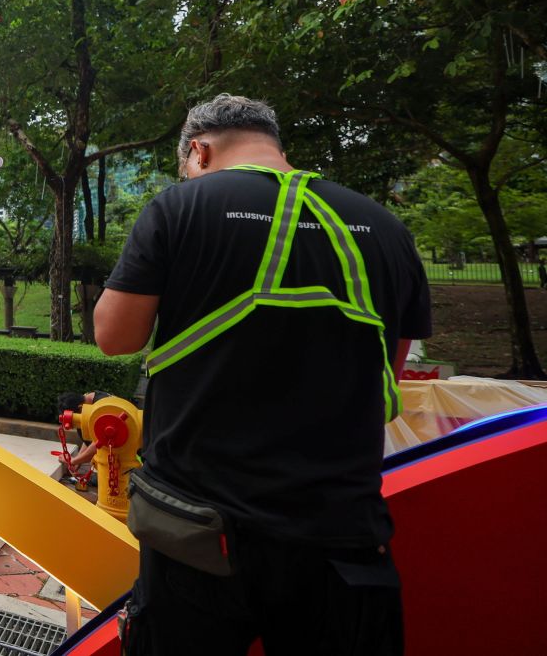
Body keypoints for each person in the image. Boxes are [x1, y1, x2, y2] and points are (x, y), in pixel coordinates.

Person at [94, 95, 431, 656]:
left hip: (199, 533)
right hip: (342, 535)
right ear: (274, 145)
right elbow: (386, 376)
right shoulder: (386, 228)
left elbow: (114, 336)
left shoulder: (181, 207)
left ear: (199, 152)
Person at [55, 390, 113, 467]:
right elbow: (88, 440)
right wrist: (78, 461)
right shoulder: (85, 402)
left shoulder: (102, 408)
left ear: (80, 407)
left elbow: (99, 442)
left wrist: (74, 461)